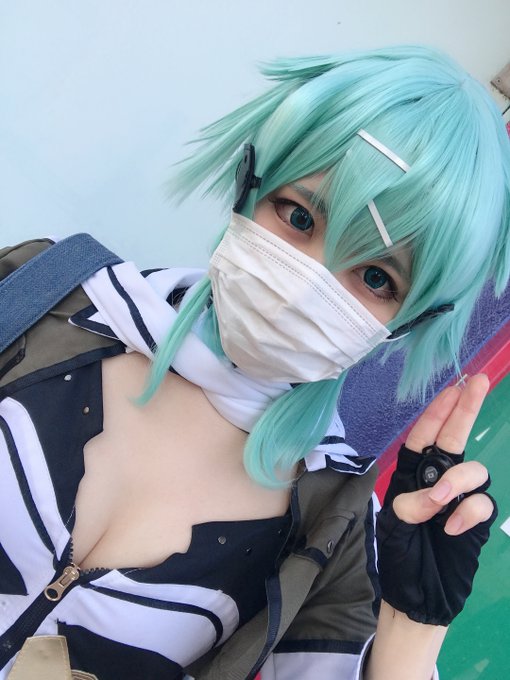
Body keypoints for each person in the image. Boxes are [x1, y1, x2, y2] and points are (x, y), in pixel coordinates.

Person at [0, 45, 509, 680]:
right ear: (251, 181)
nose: (305, 287)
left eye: (376, 277)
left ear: (409, 322)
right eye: (299, 216)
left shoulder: (334, 523)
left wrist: (411, 630)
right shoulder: (40, 296)